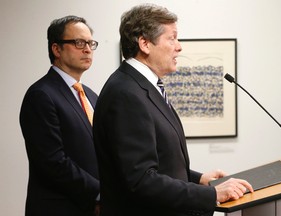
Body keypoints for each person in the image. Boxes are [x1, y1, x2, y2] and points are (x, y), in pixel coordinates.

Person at [93, 4, 253, 216]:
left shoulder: (140, 86)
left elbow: (161, 165)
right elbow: (141, 180)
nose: (179, 47)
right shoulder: (126, 94)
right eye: (172, 38)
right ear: (145, 44)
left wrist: (199, 179)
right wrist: (211, 195)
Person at [20, 15, 100, 216]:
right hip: (60, 208)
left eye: (91, 43)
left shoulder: (91, 95)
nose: (87, 49)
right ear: (56, 49)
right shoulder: (41, 94)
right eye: (79, 42)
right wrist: (99, 193)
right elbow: (53, 161)